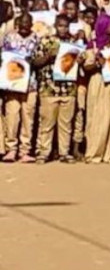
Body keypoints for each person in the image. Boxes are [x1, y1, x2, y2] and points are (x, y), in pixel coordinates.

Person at [32, 15, 82, 163]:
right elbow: (35, 62)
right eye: (60, 25)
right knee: (47, 123)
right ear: (55, 26)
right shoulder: (46, 41)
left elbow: (81, 61)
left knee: (66, 124)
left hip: (68, 88)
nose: (63, 29)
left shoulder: (74, 43)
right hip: (49, 88)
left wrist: (79, 60)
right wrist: (49, 56)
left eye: (66, 26)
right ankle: (43, 152)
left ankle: (64, 152)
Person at [2, 12, 40, 162]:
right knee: (12, 116)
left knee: (28, 117)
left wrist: (34, 61)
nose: (25, 25)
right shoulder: (9, 37)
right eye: (22, 22)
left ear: (31, 24)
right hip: (11, 84)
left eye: (27, 23)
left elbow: (40, 60)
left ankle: (25, 150)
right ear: (17, 23)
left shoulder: (37, 39)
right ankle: (11, 149)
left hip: (30, 84)